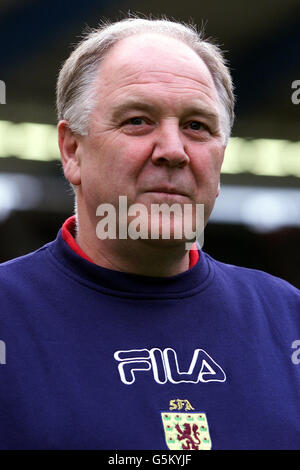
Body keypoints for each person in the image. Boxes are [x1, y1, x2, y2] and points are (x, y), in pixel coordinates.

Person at [0, 16, 300, 451]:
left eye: (197, 125)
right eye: (138, 120)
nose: (174, 151)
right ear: (72, 151)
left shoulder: (287, 319)